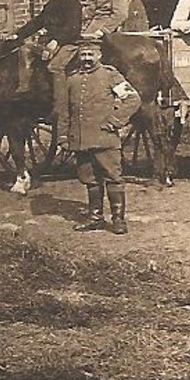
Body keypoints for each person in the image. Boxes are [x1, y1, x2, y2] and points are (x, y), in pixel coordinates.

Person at [61, 33, 142, 235]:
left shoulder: (110, 75)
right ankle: (95, 218)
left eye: (91, 54)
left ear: (99, 55)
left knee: (113, 177)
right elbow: (63, 110)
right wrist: (64, 136)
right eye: (83, 54)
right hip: (81, 140)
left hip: (105, 138)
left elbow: (132, 99)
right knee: (89, 179)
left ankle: (118, 220)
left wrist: (115, 121)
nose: (87, 58)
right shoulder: (72, 80)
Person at [7, 0, 82, 108]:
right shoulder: (50, 4)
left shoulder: (71, 2)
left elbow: (73, 28)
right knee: (25, 50)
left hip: (69, 43)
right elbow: (38, 22)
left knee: (55, 67)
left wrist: (57, 41)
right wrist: (18, 34)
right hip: (51, 42)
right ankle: (25, 88)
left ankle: (61, 102)